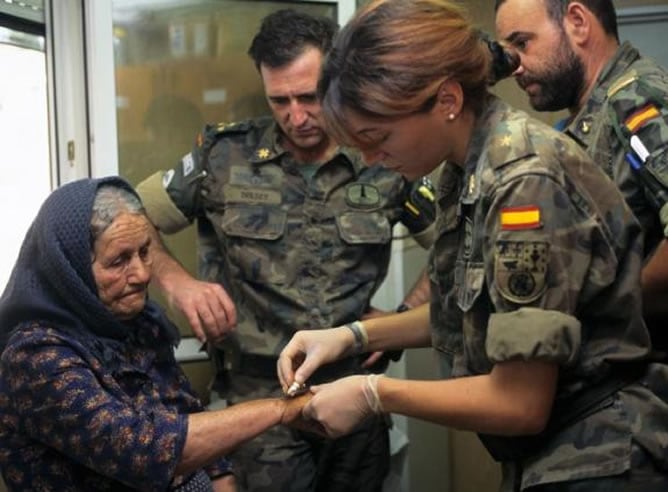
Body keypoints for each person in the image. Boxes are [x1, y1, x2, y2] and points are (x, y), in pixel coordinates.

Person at [277, 0, 668, 490]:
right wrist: (351, 337)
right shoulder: (468, 167)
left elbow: (519, 403)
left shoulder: (522, 180)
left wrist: (375, 393)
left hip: (603, 457)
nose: (373, 159)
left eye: (377, 137)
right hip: (560, 455)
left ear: (446, 101)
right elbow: (478, 309)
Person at [135, 8, 435, 492]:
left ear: (336, 78)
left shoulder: (380, 156)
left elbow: (457, 240)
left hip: (354, 391)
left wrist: (404, 318)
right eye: (280, 101)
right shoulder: (223, 156)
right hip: (258, 404)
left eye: (308, 97)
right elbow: (128, 216)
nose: (296, 117)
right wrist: (177, 282)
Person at [0, 177, 315, 492]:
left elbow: (185, 409)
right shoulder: (36, 356)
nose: (142, 274)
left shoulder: (138, 324)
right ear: (71, 270)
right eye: (119, 260)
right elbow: (144, 450)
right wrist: (281, 409)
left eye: (144, 252)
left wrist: (222, 480)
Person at [494, 0, 668, 350]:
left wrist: (600, 311)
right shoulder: (592, 119)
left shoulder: (636, 104)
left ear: (577, 22)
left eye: (523, 44)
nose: (515, 67)